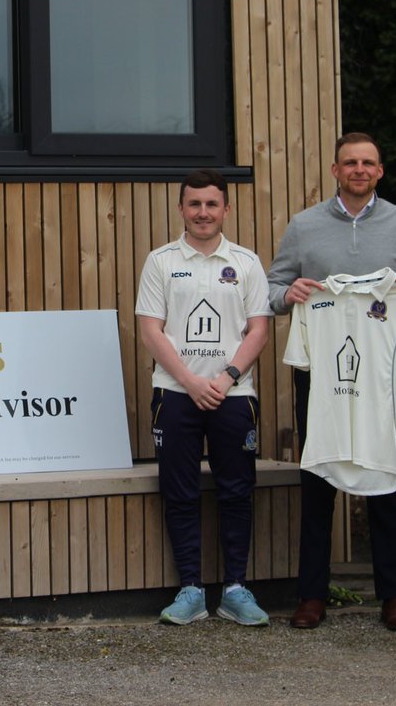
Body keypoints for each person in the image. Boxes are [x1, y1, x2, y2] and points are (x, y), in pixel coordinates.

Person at [267, 132, 396, 631]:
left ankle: (394, 597)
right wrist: (288, 293)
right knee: (318, 479)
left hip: (384, 375)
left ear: (379, 171)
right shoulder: (304, 226)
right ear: (336, 169)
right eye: (350, 163)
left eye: (368, 163)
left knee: (384, 477)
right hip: (322, 373)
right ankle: (311, 597)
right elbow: (275, 287)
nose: (359, 169)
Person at [136, 169, 272, 626]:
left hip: (235, 396)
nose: (203, 212)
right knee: (180, 492)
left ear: (226, 209)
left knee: (237, 492)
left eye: (212, 204)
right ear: (181, 209)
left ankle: (235, 588)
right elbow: (150, 330)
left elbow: (259, 329)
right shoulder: (160, 261)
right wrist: (191, 381)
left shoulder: (248, 263)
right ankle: (191, 589)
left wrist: (228, 376)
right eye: (194, 204)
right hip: (175, 394)